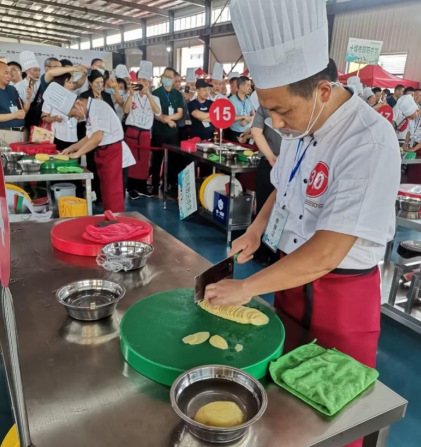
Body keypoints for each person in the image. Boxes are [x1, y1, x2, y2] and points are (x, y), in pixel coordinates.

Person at [207, 7, 400, 443]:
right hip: (291, 281)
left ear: (323, 90)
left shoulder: (368, 141)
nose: (275, 124)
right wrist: (256, 229)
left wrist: (246, 288)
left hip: (342, 297)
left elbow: (330, 250)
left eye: (281, 111)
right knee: (284, 404)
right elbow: (283, 186)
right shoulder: (300, 127)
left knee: (333, 418)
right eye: (267, 111)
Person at [43, 83, 132, 212]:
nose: (76, 118)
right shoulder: (90, 111)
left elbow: (97, 137)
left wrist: (78, 154)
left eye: (73, 115)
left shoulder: (98, 108)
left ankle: (116, 226)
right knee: (105, 192)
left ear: (78, 104)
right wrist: (72, 148)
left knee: (113, 194)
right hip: (104, 153)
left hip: (113, 152)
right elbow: (89, 136)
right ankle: (109, 220)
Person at [124, 61, 162, 199]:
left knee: (144, 161)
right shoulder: (132, 96)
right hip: (132, 131)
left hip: (145, 133)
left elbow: (158, 112)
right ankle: (130, 187)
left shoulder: (155, 98)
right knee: (132, 160)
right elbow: (126, 110)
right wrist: (130, 95)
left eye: (144, 80)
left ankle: (142, 186)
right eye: (139, 80)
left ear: (150, 83)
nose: (141, 83)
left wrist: (148, 95)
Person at [251, 105, 283, 266]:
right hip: (274, 164)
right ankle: (270, 254)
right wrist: (271, 156)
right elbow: (255, 130)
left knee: (266, 209)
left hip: (272, 163)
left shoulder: (266, 102)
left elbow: (256, 131)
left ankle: (264, 254)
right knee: (273, 209)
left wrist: (270, 157)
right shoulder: (266, 104)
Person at [151, 67, 184, 195]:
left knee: (172, 160)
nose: (167, 79)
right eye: (165, 76)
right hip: (159, 132)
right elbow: (155, 113)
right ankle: (154, 184)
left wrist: (168, 118)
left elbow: (179, 113)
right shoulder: (156, 93)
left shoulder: (177, 94)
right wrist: (166, 120)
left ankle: (168, 183)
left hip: (173, 133)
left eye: (170, 77)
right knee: (157, 159)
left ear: (174, 79)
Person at [41, 72, 78, 151]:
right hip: (57, 136)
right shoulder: (51, 97)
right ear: (61, 83)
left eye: (73, 82)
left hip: (73, 136)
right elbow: (44, 117)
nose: (72, 85)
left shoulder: (75, 98)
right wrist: (54, 118)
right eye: (69, 82)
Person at [0, 62, 27, 144]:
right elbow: (17, 114)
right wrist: (14, 115)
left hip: (21, 132)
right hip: (5, 133)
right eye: (6, 73)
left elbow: (23, 110)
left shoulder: (12, 89)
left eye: (10, 73)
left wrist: (28, 99)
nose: (9, 75)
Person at [229, 76, 255, 142]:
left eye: (250, 86)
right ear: (241, 86)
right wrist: (243, 117)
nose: (250, 88)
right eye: (248, 85)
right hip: (234, 132)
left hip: (247, 132)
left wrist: (247, 120)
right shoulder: (231, 100)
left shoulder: (250, 99)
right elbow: (229, 119)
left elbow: (254, 115)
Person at [173, 72, 189, 142]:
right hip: (173, 126)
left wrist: (188, 100)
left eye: (179, 81)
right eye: (175, 81)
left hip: (182, 125)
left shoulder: (183, 95)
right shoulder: (169, 95)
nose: (177, 83)